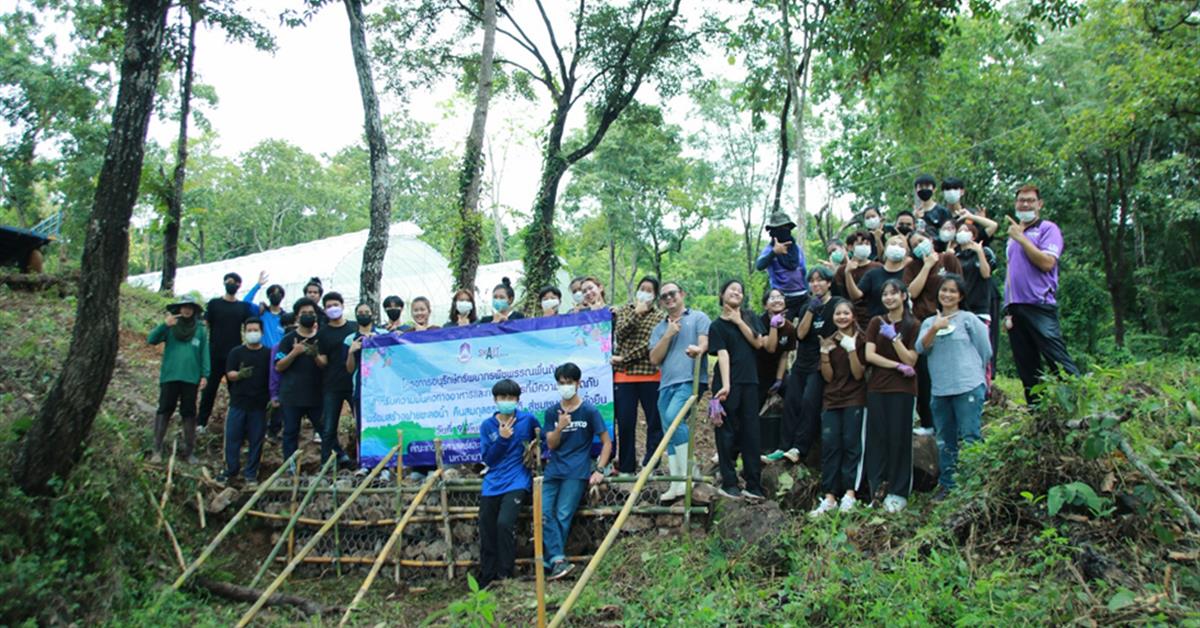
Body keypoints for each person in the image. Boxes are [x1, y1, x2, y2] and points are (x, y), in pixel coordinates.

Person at [1004, 184, 1081, 404]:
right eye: (1021, 200)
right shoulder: (1014, 234)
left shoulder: (1048, 229)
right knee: (1027, 366)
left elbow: (1047, 263)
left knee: (1057, 359)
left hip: (1039, 304)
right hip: (1015, 307)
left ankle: (1078, 404)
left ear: (1040, 204)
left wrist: (1022, 239)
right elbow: (1012, 271)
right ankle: (1038, 414)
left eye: (1029, 200)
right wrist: (1006, 306)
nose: (1025, 204)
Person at [918, 274, 991, 498]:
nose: (947, 295)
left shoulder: (969, 319)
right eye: (943, 290)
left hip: (968, 386)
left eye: (952, 291)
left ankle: (973, 484)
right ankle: (948, 484)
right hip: (940, 390)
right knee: (945, 440)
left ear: (961, 296)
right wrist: (935, 328)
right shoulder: (929, 322)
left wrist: (978, 378)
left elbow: (985, 350)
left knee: (970, 436)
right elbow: (921, 349)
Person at [708, 279, 778, 500]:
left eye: (740, 291)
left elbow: (759, 344)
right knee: (726, 432)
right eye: (732, 290)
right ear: (722, 294)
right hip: (726, 384)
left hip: (750, 382)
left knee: (751, 432)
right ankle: (729, 483)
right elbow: (723, 354)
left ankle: (753, 484)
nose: (736, 293)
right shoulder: (716, 326)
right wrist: (727, 385)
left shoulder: (750, 318)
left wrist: (739, 322)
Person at [542, 363, 612, 581]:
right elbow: (551, 445)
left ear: (578, 383)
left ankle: (551, 561)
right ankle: (556, 561)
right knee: (544, 513)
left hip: (577, 471)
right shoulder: (551, 412)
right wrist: (560, 426)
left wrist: (600, 469)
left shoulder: (589, 411)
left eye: (569, 382)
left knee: (563, 515)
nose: (565, 387)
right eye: (561, 383)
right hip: (554, 470)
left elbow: (606, 442)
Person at [648, 281, 709, 502]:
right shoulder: (659, 329)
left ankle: (689, 474)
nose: (668, 299)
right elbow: (654, 359)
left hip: (689, 380)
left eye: (672, 294)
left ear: (682, 294)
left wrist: (698, 349)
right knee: (669, 431)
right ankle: (676, 482)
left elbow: (705, 343)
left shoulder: (698, 317)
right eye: (663, 297)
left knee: (674, 418)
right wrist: (669, 334)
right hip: (666, 384)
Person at [863, 280, 919, 512]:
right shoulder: (877, 322)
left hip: (903, 390)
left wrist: (895, 339)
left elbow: (911, 360)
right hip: (877, 388)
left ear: (904, 296)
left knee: (899, 439)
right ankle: (876, 490)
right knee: (877, 440)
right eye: (885, 294)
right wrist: (895, 366)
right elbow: (869, 355)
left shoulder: (914, 324)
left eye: (893, 294)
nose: (888, 298)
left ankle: (898, 491)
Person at [477, 379, 538, 589]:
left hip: (517, 481)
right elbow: (489, 459)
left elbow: (540, 440)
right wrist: (502, 439)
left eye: (511, 398)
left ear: (517, 400)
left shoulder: (527, 420)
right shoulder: (488, 426)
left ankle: (505, 574)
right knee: (486, 527)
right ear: (495, 399)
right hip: (492, 483)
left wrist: (535, 450)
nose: (507, 401)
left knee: (504, 524)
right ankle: (487, 576)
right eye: (502, 398)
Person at [810, 298, 867, 517]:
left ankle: (850, 494)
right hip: (832, 399)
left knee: (852, 444)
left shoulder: (861, 339)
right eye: (837, 314)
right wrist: (824, 353)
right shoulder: (829, 340)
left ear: (853, 316)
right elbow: (829, 377)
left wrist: (851, 348)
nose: (841, 317)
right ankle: (830, 496)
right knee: (830, 446)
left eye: (845, 313)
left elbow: (858, 374)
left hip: (855, 399)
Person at [778, 267, 837, 464]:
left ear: (829, 283)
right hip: (801, 363)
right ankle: (785, 446)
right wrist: (811, 309)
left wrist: (828, 343)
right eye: (811, 281)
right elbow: (801, 334)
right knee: (791, 402)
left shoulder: (837, 304)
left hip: (820, 364)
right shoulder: (806, 306)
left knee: (809, 403)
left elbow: (845, 327)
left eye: (820, 280)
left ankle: (799, 448)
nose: (816, 284)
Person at [906, 229, 962, 430]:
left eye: (921, 240)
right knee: (924, 377)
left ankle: (956, 424)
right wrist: (926, 265)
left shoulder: (948, 259)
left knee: (951, 370)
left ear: (930, 239)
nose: (918, 245)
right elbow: (911, 292)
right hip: (923, 324)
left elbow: (959, 287)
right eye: (913, 244)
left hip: (951, 321)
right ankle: (928, 423)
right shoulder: (913, 266)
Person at [611, 276, 665, 474]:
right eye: (642, 288)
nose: (644, 292)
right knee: (625, 423)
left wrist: (623, 358)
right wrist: (636, 314)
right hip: (624, 378)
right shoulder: (625, 310)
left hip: (650, 375)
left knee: (654, 422)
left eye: (649, 290)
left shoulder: (659, 317)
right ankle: (626, 466)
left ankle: (651, 464)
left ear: (655, 295)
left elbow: (649, 345)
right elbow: (620, 334)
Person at [197, 272, 262, 432]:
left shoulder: (242, 307)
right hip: (214, 353)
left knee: (237, 391)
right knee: (209, 390)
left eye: (233, 282)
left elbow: (253, 321)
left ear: (239, 285)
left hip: (235, 355)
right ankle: (201, 423)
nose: (230, 283)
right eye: (227, 281)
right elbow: (204, 325)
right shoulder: (213, 304)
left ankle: (240, 424)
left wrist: (259, 298)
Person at [148, 295, 209, 464]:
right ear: (178, 309)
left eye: (190, 307)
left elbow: (204, 353)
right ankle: (157, 449)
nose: (187, 310)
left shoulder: (200, 330)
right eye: (184, 307)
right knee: (164, 410)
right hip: (170, 376)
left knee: (189, 413)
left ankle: (189, 452)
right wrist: (164, 325)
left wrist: (205, 374)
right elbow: (151, 339)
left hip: (191, 378)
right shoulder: (170, 326)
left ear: (194, 310)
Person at [218, 317, 271, 487]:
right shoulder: (236, 352)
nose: (252, 333)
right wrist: (239, 375)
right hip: (238, 403)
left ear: (261, 333)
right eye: (249, 330)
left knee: (256, 440)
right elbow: (229, 374)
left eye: (255, 330)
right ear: (244, 332)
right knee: (233, 438)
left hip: (259, 405)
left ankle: (250, 474)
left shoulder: (268, 354)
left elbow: (273, 377)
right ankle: (230, 470)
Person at [275, 298, 325, 464]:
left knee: (325, 431)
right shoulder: (288, 340)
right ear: (297, 317)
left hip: (317, 395)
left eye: (311, 313)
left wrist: (315, 354)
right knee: (290, 432)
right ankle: (289, 468)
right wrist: (295, 352)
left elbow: (327, 365)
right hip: (291, 395)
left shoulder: (322, 338)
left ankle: (329, 465)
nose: (308, 316)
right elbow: (279, 366)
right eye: (304, 313)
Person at [316, 292, 355, 467]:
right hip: (332, 384)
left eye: (335, 304)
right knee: (329, 427)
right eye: (329, 306)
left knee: (362, 423)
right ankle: (327, 462)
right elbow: (323, 361)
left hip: (355, 383)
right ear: (324, 310)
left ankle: (366, 460)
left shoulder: (354, 328)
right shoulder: (322, 333)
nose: (333, 308)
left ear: (342, 305)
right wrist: (313, 354)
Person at [758, 288, 797, 462]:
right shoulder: (759, 322)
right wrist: (773, 326)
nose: (777, 300)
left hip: (777, 372)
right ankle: (738, 449)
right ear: (766, 305)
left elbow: (783, 355)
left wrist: (780, 379)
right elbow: (771, 347)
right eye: (772, 298)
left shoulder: (789, 328)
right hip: (758, 372)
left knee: (794, 398)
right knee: (751, 408)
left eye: (780, 297)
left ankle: (786, 446)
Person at [346, 303, 385, 472]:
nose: (363, 315)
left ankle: (384, 466)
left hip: (381, 389)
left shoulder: (383, 334)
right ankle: (366, 463)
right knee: (363, 426)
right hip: (361, 388)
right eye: (360, 312)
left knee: (383, 426)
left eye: (367, 312)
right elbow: (348, 369)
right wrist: (351, 352)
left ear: (373, 314)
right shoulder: (350, 339)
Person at [756, 210, 809, 319]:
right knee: (783, 329)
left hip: (803, 296)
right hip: (783, 299)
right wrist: (774, 253)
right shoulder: (769, 250)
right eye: (778, 229)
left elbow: (804, 272)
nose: (783, 231)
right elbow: (759, 266)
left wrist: (809, 292)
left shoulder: (797, 249)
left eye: (785, 228)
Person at [848, 234, 910, 320]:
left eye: (901, 245)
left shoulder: (909, 273)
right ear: (886, 248)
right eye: (893, 244)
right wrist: (848, 274)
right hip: (877, 323)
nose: (896, 247)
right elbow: (856, 295)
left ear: (906, 252)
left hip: (903, 323)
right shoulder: (873, 273)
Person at [833, 232, 881, 324]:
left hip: (874, 317)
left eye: (867, 244)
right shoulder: (842, 270)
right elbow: (839, 296)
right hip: (850, 319)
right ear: (850, 247)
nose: (865, 246)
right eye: (860, 244)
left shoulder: (878, 268)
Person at [942, 177, 999, 246]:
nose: (951, 192)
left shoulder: (972, 214)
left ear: (962, 192)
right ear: (943, 193)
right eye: (948, 189)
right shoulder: (940, 215)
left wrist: (981, 220)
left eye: (955, 189)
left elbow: (984, 237)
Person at [266, 311, 295, 443]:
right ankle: (273, 432)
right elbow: (274, 371)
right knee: (278, 411)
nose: (290, 328)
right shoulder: (278, 347)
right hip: (282, 387)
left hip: (300, 388)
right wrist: (274, 392)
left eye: (293, 324)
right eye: (286, 325)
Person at [257, 284, 287, 349]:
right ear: (268, 296)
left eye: (278, 294)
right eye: (273, 294)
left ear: (282, 297)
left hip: (280, 355)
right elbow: (246, 301)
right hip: (263, 353)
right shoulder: (261, 313)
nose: (275, 296)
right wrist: (257, 285)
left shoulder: (286, 317)